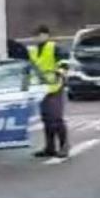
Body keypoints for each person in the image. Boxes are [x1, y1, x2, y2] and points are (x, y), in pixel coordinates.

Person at [29, 26, 69, 158]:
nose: (38, 38)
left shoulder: (54, 47)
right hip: (40, 89)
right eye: (36, 35)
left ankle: (64, 146)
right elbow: (30, 67)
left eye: (41, 35)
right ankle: (50, 147)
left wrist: (60, 73)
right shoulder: (33, 50)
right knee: (46, 119)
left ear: (47, 35)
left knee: (56, 118)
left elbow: (64, 62)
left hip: (54, 87)